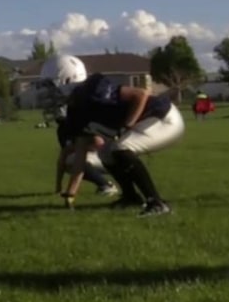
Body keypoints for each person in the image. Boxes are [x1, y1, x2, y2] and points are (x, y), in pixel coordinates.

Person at [43, 55, 183, 216]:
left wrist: (127, 125)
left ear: (67, 80)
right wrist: (71, 193)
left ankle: (156, 203)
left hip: (163, 116)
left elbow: (141, 94)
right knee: (105, 152)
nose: (48, 93)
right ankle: (130, 196)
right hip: (145, 121)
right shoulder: (75, 110)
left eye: (49, 86)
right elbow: (81, 153)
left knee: (120, 148)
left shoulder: (93, 89)